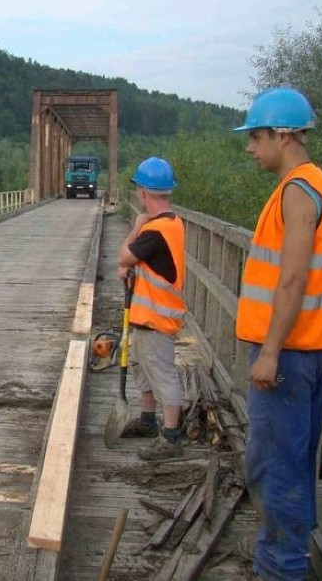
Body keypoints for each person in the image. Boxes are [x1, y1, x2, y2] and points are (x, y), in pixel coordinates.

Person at [233, 87, 322, 581]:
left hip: (288, 355)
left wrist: (270, 352)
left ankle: (279, 569)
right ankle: (289, 560)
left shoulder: (299, 192)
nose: (249, 147)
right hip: (312, 348)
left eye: (255, 137)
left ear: (283, 136)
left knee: (275, 466)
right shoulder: (318, 186)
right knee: (296, 462)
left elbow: (293, 277)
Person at [117, 155, 187, 461]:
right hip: (148, 316)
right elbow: (142, 263)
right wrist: (134, 269)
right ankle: (148, 421)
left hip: (158, 318)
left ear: (144, 192)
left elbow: (123, 255)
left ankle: (170, 438)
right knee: (144, 369)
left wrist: (135, 227)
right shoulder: (170, 224)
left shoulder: (156, 230)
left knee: (163, 374)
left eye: (137, 191)